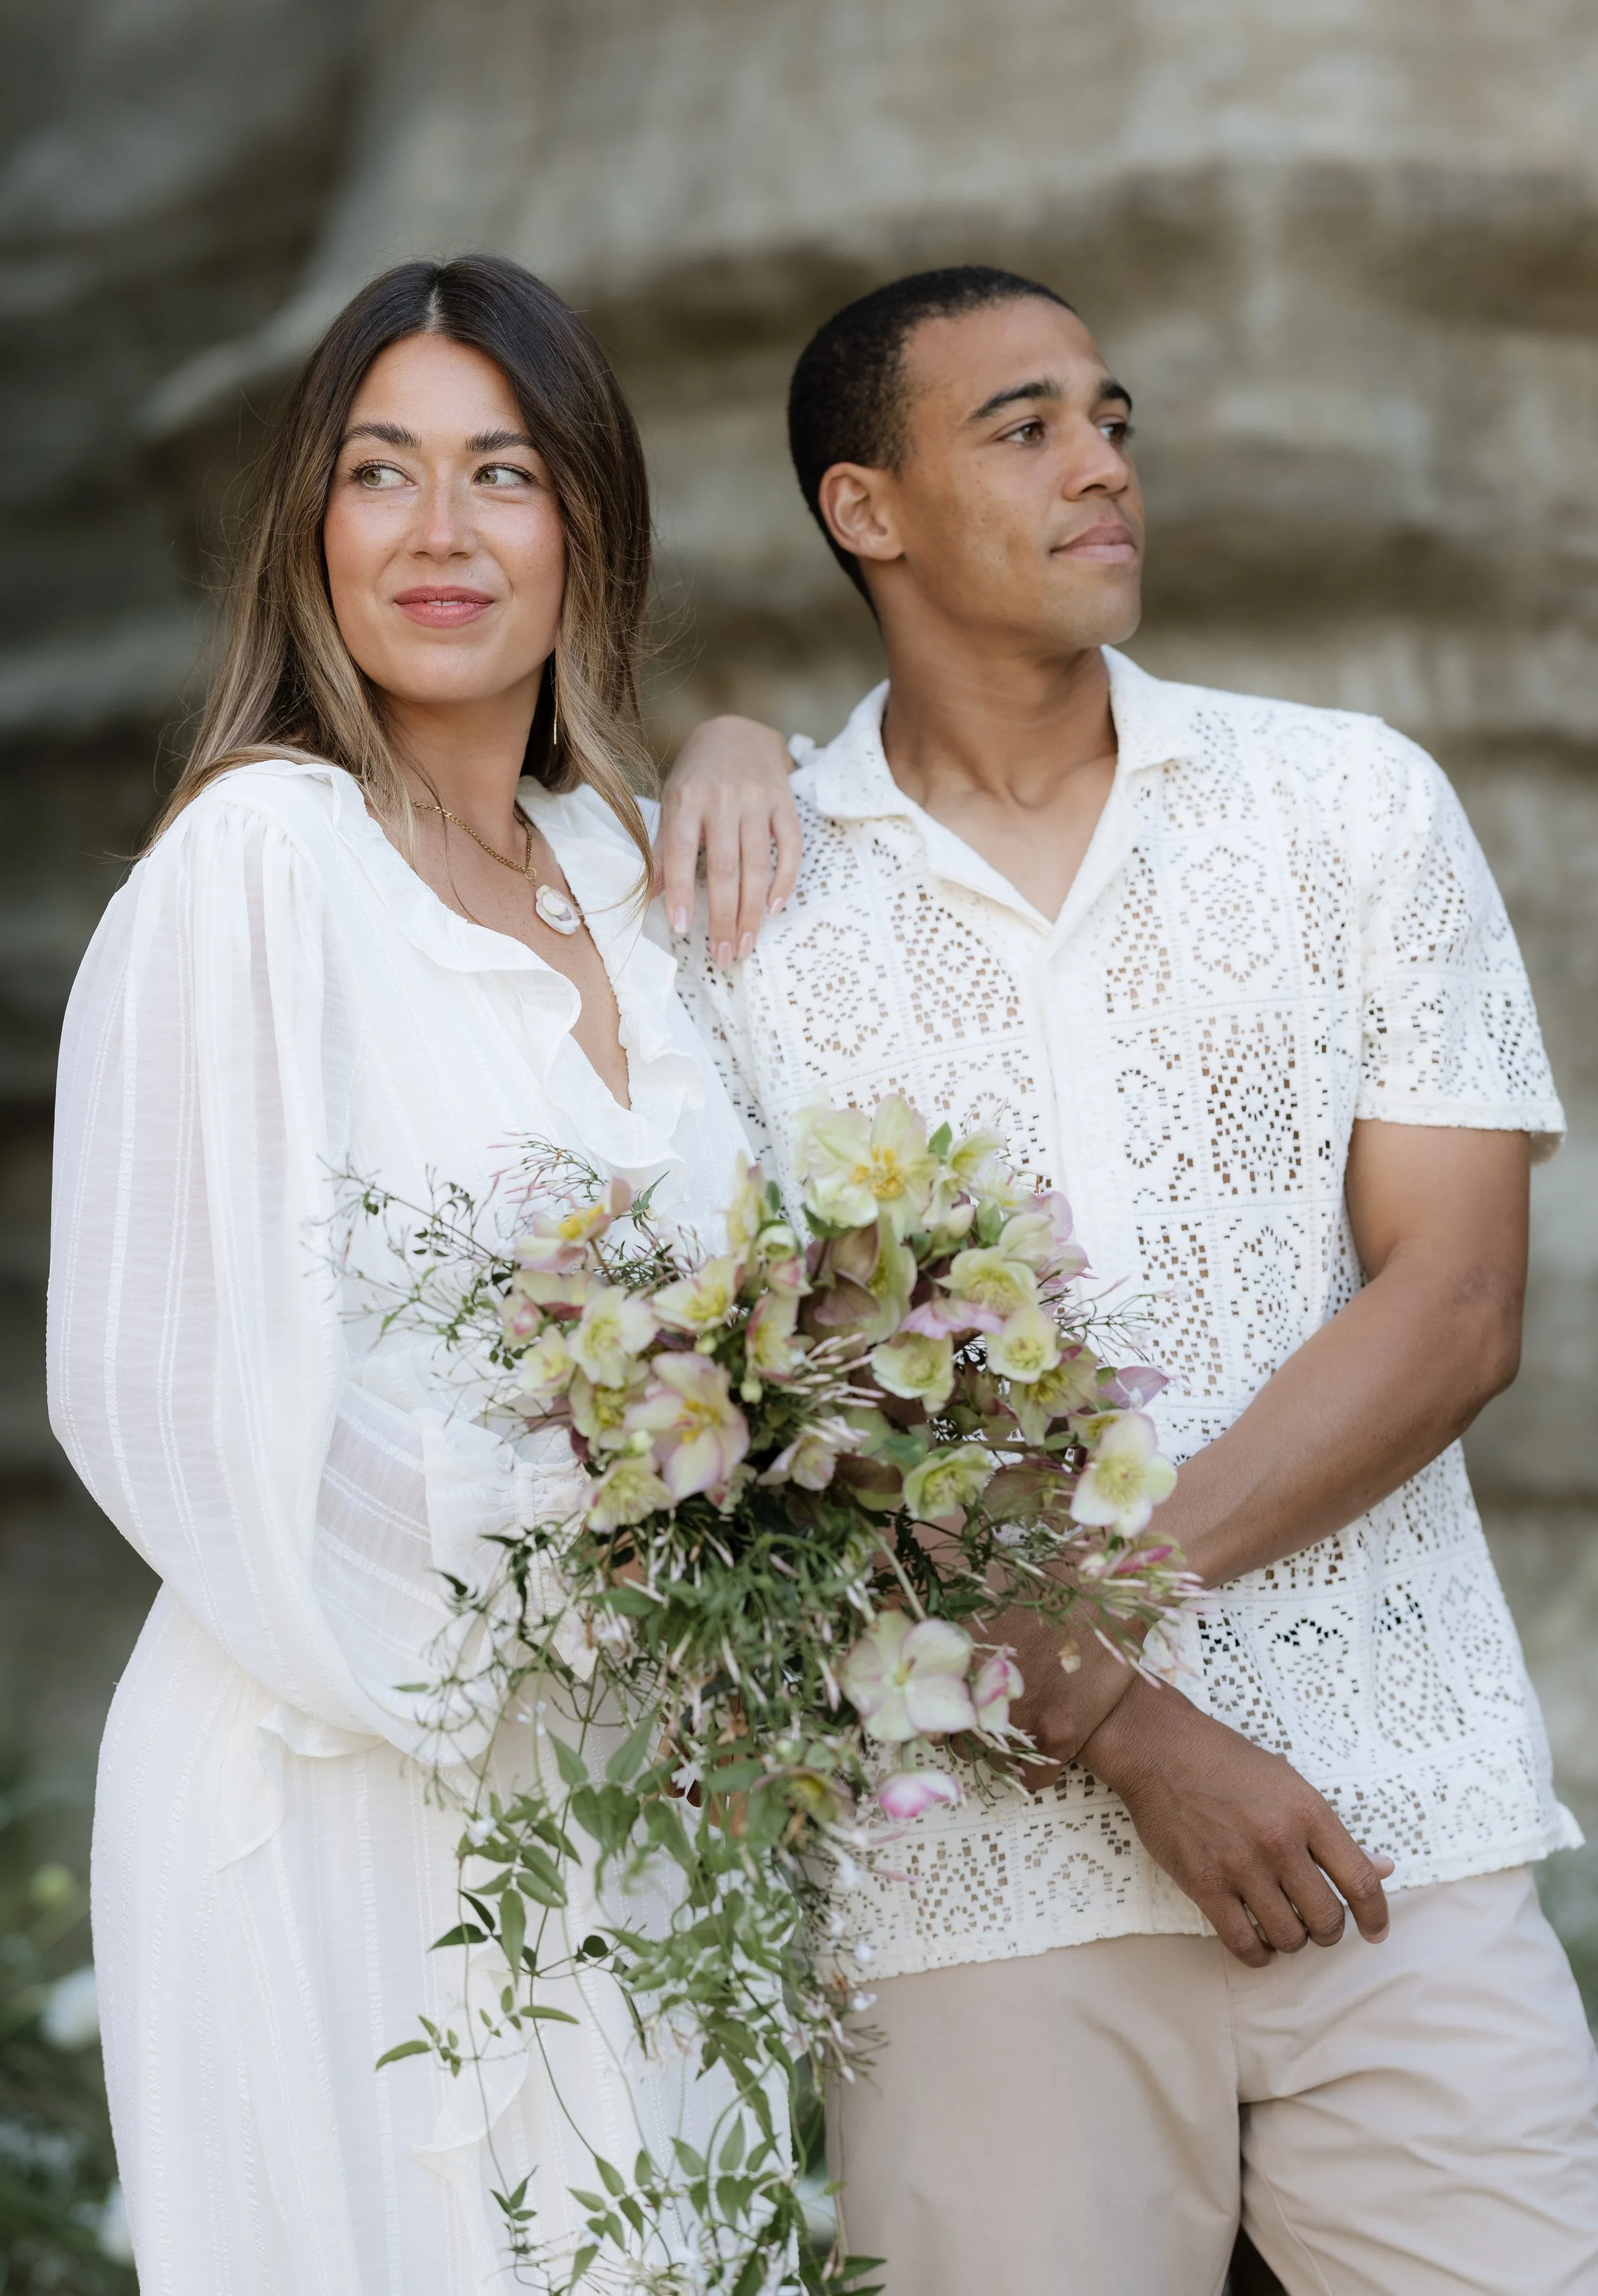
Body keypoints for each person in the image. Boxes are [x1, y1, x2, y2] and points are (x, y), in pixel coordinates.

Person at [664, 266, 1598, 2294]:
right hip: (973, 1888)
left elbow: (1452, 1308)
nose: (1101, 462)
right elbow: (753, 1426)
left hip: (1395, 1830)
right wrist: (1129, 1738)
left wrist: (1092, 1646)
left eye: (1111, 417)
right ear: (864, 508)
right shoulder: (731, 912)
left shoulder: (1347, 800)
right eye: (1020, 426)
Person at [45, 255, 787, 2295]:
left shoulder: (629, 871)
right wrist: (558, 1571)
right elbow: (158, 1375)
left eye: (504, 474)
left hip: (633, 1794)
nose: (440, 534)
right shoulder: (262, 861)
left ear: (591, 529)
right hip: (341, 1757)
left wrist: (743, 738)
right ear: (312, 527)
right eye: (382, 474)